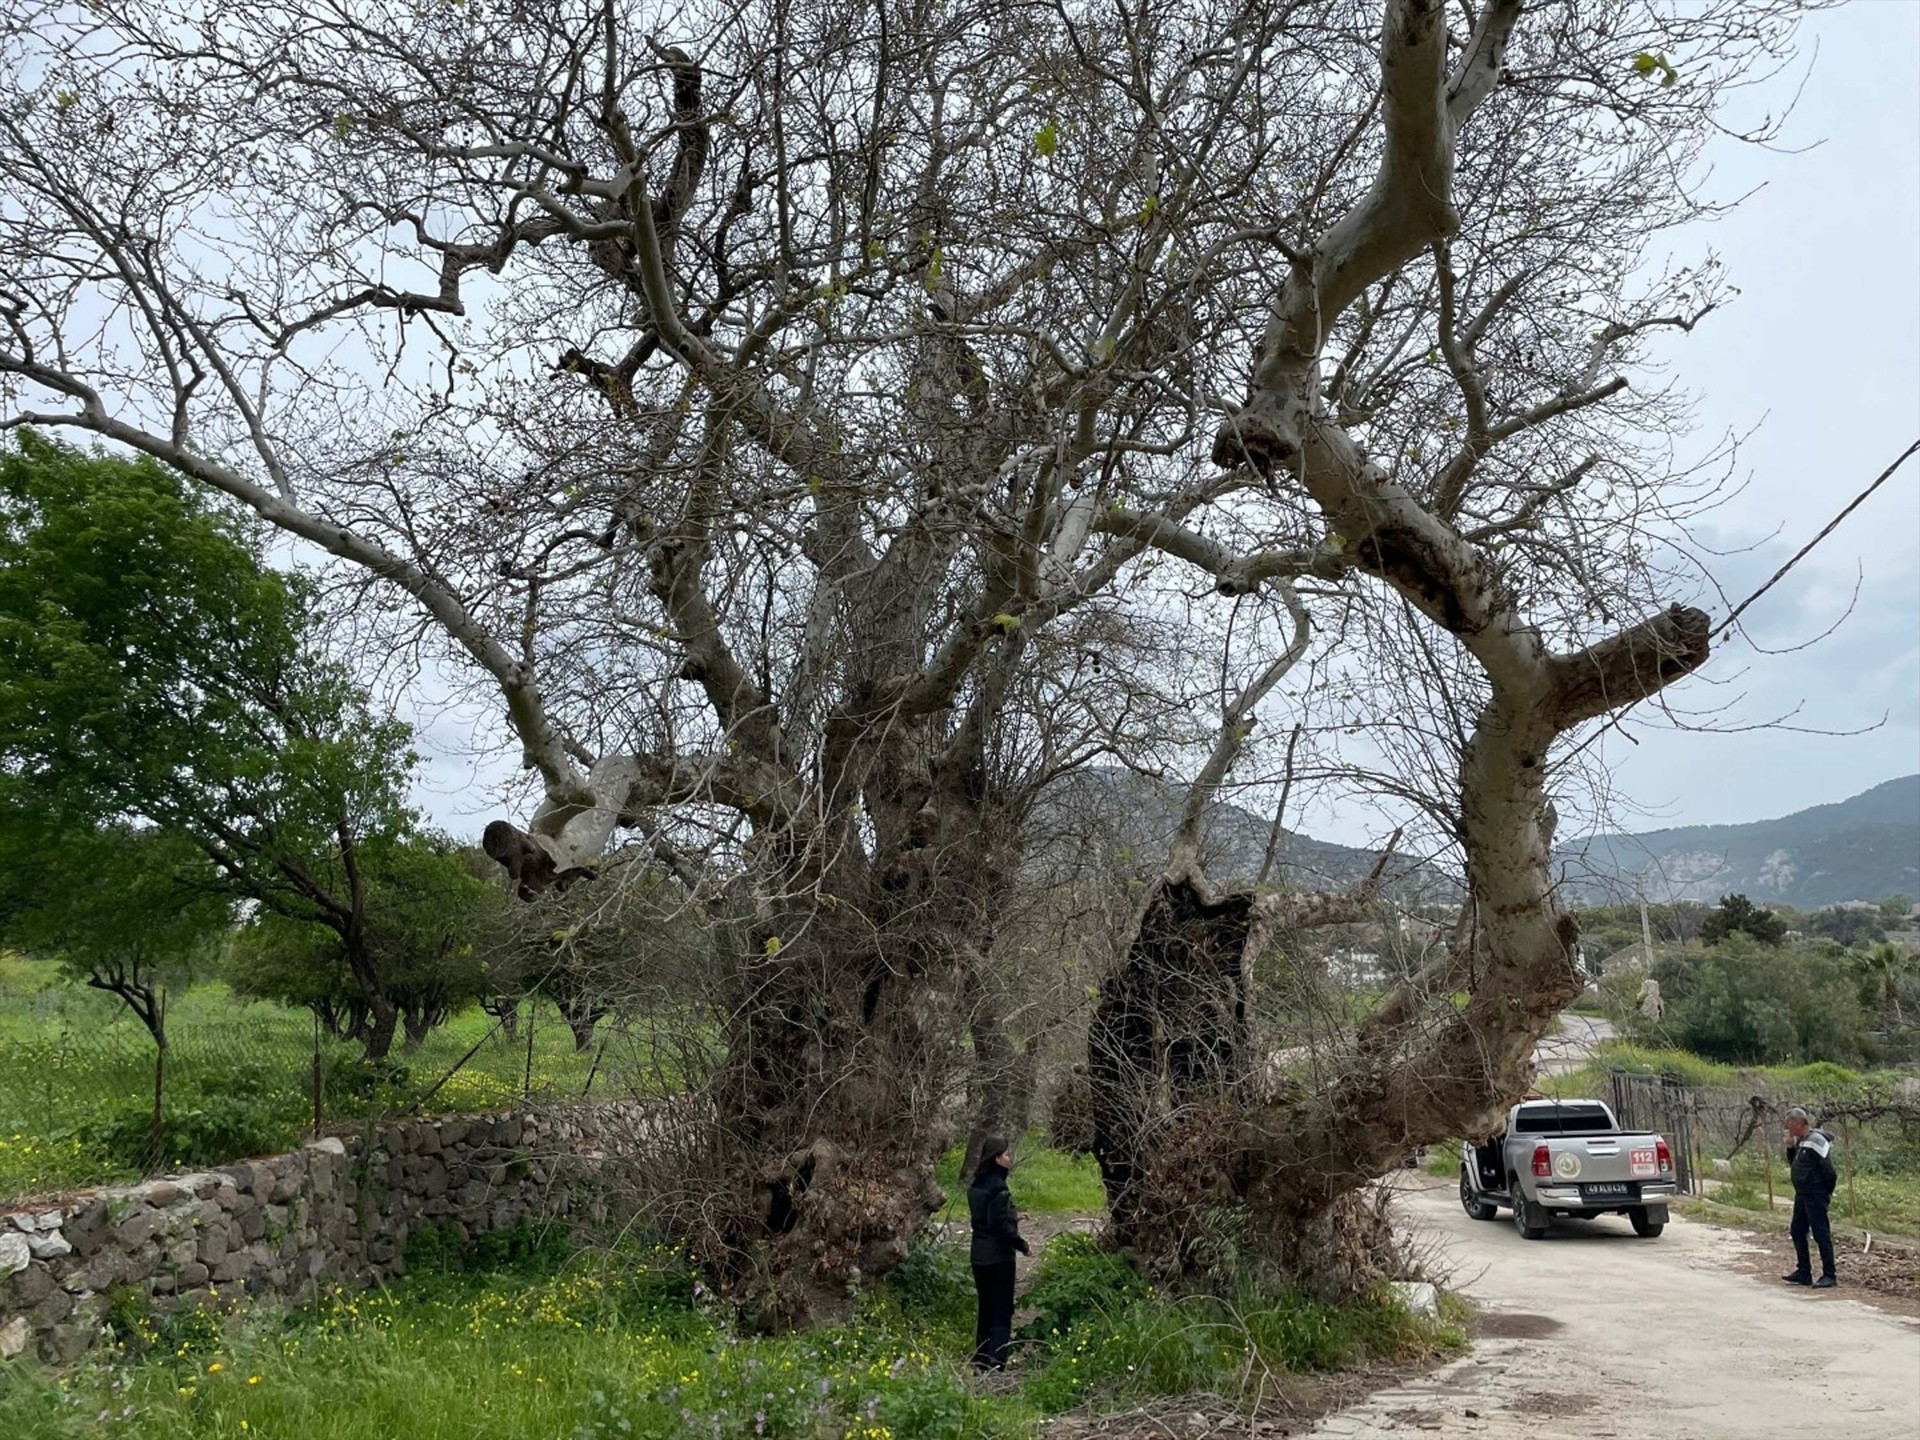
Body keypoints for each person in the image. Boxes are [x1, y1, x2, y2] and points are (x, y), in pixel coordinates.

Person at [967, 1133, 1028, 1370]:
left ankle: (981, 1358)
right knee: (1002, 1309)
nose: (1009, 1158)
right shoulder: (999, 1188)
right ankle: (997, 1359)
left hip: (978, 1254)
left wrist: (1013, 1215)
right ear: (996, 1158)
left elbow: (986, 1218)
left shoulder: (976, 1185)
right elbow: (1000, 1226)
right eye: (1005, 1154)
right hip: (999, 1257)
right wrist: (1021, 1244)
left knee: (985, 1307)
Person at [1781, 1106, 1839, 1289]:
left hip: (1815, 1194)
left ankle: (1829, 1275)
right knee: (1797, 1231)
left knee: (1821, 1233)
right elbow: (1796, 1165)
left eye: (1789, 1124)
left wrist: (1825, 1191)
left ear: (1799, 1123)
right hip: (1802, 1194)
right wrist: (1790, 1147)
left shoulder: (1816, 1140)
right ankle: (1803, 1271)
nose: (1787, 1128)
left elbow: (1829, 1170)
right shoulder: (1802, 1142)